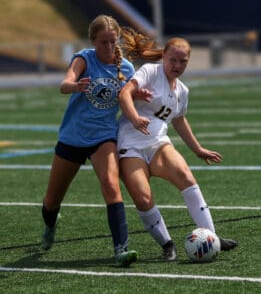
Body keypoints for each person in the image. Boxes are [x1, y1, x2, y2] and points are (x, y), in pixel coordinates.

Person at [40, 15, 151, 267]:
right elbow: (64, 84)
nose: (109, 48)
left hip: (104, 137)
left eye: (113, 42)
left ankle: (121, 249)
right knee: (51, 201)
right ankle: (49, 222)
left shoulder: (126, 69)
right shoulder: (84, 58)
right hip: (73, 137)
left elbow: (126, 98)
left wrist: (138, 95)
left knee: (112, 186)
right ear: (93, 41)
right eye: (104, 43)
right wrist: (75, 86)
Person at [117, 33, 238, 260]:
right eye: (173, 60)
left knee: (186, 177)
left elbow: (179, 120)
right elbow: (125, 94)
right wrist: (134, 118)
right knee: (143, 198)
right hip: (130, 146)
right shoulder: (151, 71)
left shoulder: (182, 91)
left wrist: (198, 149)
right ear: (164, 56)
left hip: (158, 145)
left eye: (183, 61)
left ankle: (212, 237)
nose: (177, 65)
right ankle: (167, 244)